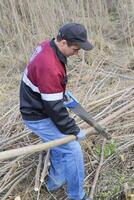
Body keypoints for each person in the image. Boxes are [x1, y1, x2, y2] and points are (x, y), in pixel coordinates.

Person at [19, 23, 93, 200]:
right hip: (37, 115)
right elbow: (56, 111)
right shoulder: (49, 66)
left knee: (59, 144)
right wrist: (74, 130)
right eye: (75, 49)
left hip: (38, 105)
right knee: (73, 149)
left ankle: (54, 182)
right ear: (64, 42)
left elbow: (43, 85)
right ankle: (77, 196)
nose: (77, 53)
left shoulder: (47, 45)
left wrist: (58, 92)